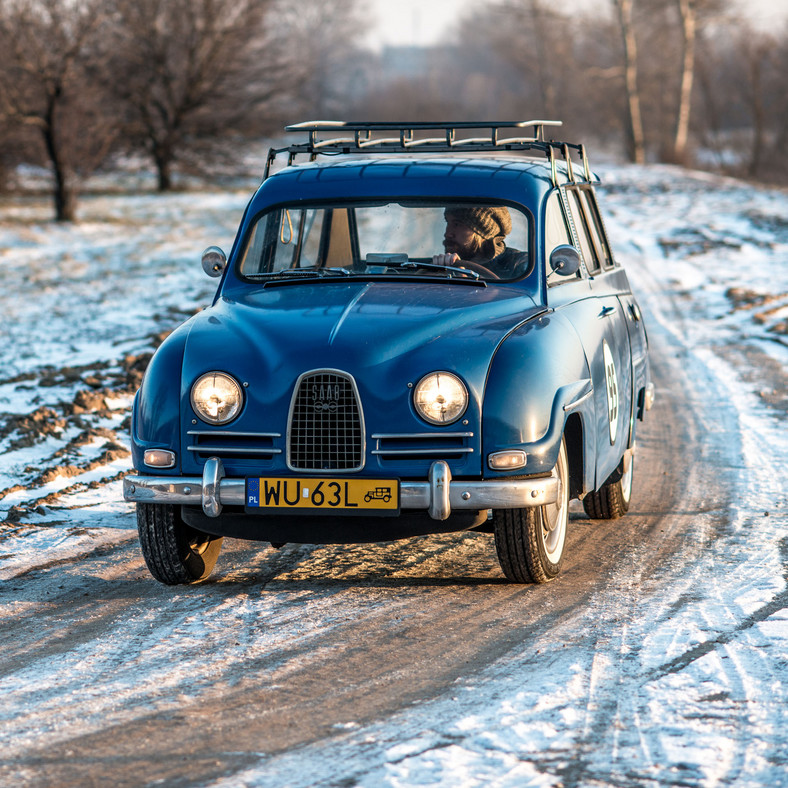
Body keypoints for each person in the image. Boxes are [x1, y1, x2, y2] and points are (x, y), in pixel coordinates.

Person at [432, 205, 528, 278]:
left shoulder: (520, 266)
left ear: (483, 232)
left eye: (457, 224)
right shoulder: (441, 264)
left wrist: (463, 281)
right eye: (447, 222)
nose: (447, 233)